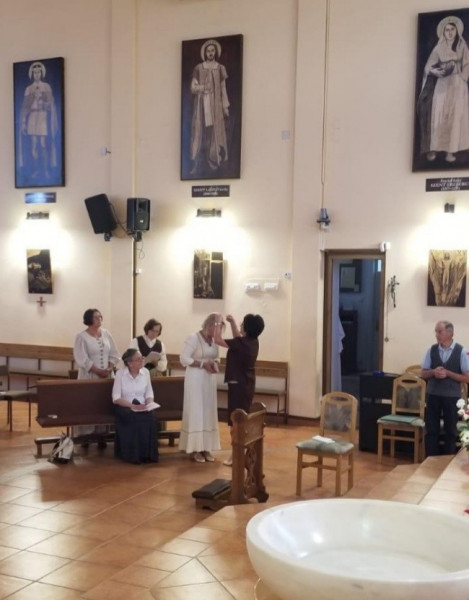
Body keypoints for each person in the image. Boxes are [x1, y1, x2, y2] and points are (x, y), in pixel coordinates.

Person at [214, 313, 265, 466]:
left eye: (242, 324)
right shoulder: (253, 341)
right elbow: (238, 337)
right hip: (247, 384)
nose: (240, 326)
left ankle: (236, 455)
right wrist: (232, 322)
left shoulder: (241, 343)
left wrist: (218, 323)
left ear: (247, 328)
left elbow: (217, 340)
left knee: (236, 421)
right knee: (242, 418)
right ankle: (241, 453)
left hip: (238, 386)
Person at [417, 16, 469, 164]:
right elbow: (428, 66)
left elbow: (467, 63)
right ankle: (434, 148)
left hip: (457, 85)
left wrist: (463, 76)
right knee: (439, 115)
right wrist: (436, 71)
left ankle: (450, 152)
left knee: (454, 117)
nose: (450, 32)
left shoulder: (461, 46)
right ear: (443, 32)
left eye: (452, 29)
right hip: (442, 85)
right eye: (447, 30)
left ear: (457, 31)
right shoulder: (439, 48)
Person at [420, 321, 469, 456]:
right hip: (432, 394)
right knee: (431, 430)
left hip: (452, 397)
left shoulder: (461, 351)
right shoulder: (431, 350)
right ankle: (430, 460)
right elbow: (423, 373)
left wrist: (448, 373)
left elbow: (467, 378)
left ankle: (448, 460)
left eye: (439, 331)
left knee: (450, 431)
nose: (436, 335)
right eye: (436, 331)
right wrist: (433, 372)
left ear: (450, 333)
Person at [179, 313, 222, 462]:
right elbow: (183, 358)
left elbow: (217, 356)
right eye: (217, 328)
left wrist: (215, 363)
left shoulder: (215, 340)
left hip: (209, 379)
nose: (219, 332)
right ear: (210, 325)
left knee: (208, 411)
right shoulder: (194, 338)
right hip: (195, 378)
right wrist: (203, 364)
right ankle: (195, 449)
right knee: (197, 411)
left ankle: (206, 448)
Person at [73, 308, 120, 441]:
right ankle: (85, 436)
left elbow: (114, 353)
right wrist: (97, 371)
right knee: (88, 404)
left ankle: (102, 435)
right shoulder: (81, 337)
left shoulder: (106, 334)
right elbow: (81, 358)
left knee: (103, 404)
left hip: (107, 376)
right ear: (89, 319)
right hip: (89, 377)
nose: (99, 319)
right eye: (96, 317)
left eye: (100, 316)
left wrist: (109, 368)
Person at [190, 39, 230, 175]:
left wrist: (225, 106)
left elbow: (223, 88)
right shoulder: (199, 68)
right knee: (201, 130)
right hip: (202, 104)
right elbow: (193, 87)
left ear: (216, 52)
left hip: (215, 105)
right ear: (205, 53)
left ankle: (214, 159)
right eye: (208, 51)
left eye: (213, 50)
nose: (210, 53)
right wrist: (203, 88)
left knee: (214, 131)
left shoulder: (220, 68)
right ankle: (198, 160)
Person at [112, 348, 158, 464]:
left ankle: (148, 455)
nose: (142, 360)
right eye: (138, 359)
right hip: (125, 405)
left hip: (142, 404)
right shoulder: (120, 374)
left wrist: (149, 403)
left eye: (142, 358)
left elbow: (149, 392)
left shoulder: (145, 372)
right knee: (133, 417)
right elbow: (116, 398)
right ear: (130, 363)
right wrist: (132, 406)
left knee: (151, 417)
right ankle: (133, 455)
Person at [19, 61, 58, 180]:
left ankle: (45, 170)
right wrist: (23, 122)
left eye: (38, 72)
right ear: (32, 74)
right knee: (34, 144)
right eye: (35, 72)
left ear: (41, 73)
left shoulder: (46, 87)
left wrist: (42, 99)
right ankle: (36, 170)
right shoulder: (28, 89)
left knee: (43, 144)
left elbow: (50, 104)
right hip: (33, 116)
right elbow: (25, 107)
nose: (37, 74)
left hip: (42, 116)